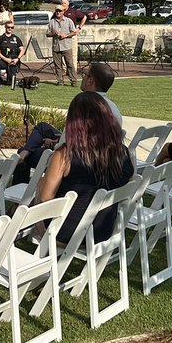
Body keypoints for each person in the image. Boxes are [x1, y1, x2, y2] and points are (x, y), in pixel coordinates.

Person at [35, 91, 133, 245]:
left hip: (65, 232)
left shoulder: (65, 155)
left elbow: (46, 199)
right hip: (102, 230)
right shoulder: (121, 152)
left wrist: (41, 184)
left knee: (40, 186)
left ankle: (17, 226)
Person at [14, 63, 122, 183]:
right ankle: (24, 154)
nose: (83, 77)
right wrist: (56, 141)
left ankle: (21, 159)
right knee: (43, 127)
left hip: (73, 159)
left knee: (29, 155)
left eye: (84, 74)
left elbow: (66, 146)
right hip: (93, 151)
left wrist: (54, 145)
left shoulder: (83, 104)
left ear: (90, 80)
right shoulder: (113, 107)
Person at [47, 4, 80, 85]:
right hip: (56, 47)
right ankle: (60, 81)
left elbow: (74, 33)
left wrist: (66, 35)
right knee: (58, 65)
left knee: (70, 64)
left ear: (63, 12)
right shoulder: (52, 22)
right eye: (57, 11)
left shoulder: (69, 21)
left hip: (66, 46)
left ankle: (73, 80)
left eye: (60, 11)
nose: (58, 12)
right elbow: (47, 34)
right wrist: (54, 33)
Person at [0, 20, 24, 87]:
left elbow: (22, 50)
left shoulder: (16, 38)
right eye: (8, 27)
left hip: (14, 61)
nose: (10, 29)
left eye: (12, 27)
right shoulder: (0, 39)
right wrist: (6, 59)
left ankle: (7, 81)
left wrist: (17, 59)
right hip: (4, 60)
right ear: (5, 27)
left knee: (10, 83)